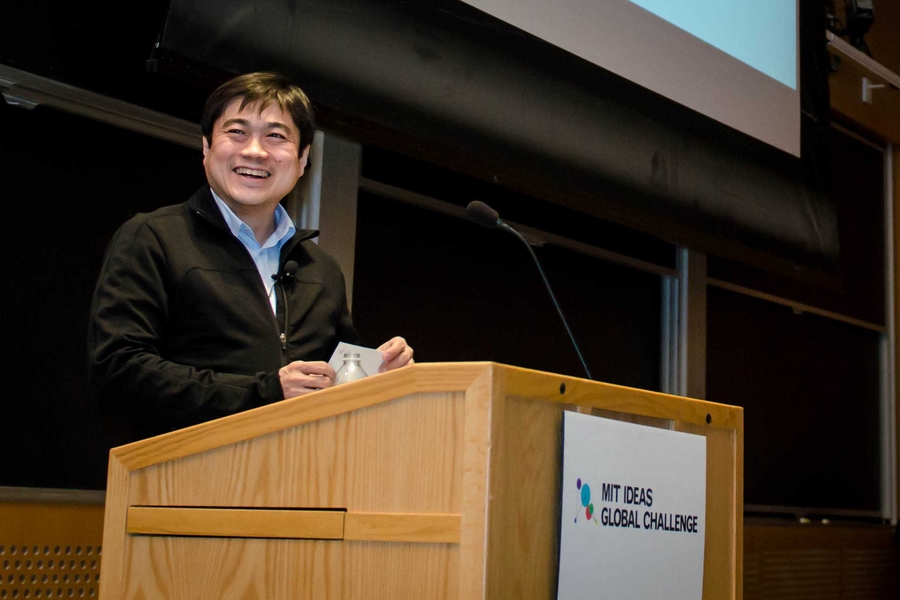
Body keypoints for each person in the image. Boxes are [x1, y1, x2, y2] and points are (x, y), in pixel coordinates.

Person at [88, 72, 413, 439]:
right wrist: (266, 393)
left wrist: (377, 377)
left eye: (276, 136)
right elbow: (118, 370)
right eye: (237, 132)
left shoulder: (321, 270)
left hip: (303, 469)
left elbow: (335, 387)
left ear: (303, 158)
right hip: (186, 468)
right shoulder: (153, 238)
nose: (255, 151)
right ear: (206, 147)